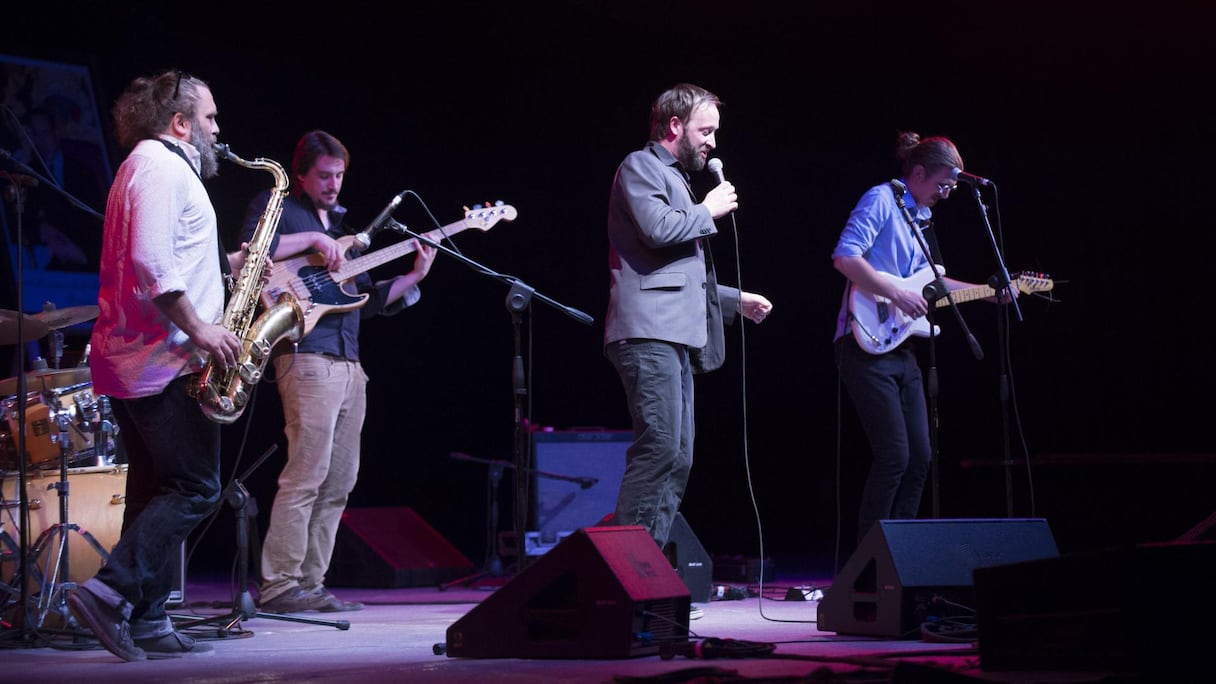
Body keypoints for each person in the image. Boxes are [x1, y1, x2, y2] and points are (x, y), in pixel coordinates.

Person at [67, 69, 250, 661]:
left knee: (152, 494)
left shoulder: (149, 168)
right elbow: (150, 262)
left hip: (141, 360)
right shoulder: (165, 167)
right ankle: (109, 591)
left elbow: (167, 251)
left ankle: (145, 622)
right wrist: (201, 328)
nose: (218, 131)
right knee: (196, 488)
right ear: (180, 123)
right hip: (166, 360)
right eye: (210, 118)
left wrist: (228, 264)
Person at [244, 130, 437, 614]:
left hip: (350, 364)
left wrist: (413, 276)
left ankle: (310, 582)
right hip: (307, 357)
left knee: (339, 481)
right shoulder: (281, 210)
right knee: (306, 475)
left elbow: (366, 303)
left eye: (339, 175)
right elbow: (251, 254)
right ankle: (279, 584)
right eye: (324, 175)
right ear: (303, 175)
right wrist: (313, 238)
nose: (333, 184)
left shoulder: (347, 231)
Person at [603, 83, 772, 555]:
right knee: (658, 450)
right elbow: (658, 232)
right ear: (675, 125)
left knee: (677, 456)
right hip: (647, 333)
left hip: (674, 336)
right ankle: (625, 579)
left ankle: (647, 572)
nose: (713, 142)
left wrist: (734, 299)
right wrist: (708, 209)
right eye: (706, 130)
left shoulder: (676, 178)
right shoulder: (640, 167)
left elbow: (677, 273)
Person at [831, 131, 1014, 544]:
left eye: (951, 186)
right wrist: (894, 292)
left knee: (921, 458)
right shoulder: (880, 199)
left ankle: (901, 552)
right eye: (943, 185)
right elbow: (845, 256)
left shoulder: (922, 218)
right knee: (895, 456)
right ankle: (866, 562)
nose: (948, 194)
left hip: (902, 345)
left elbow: (932, 281)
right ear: (917, 173)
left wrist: (990, 293)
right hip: (863, 342)